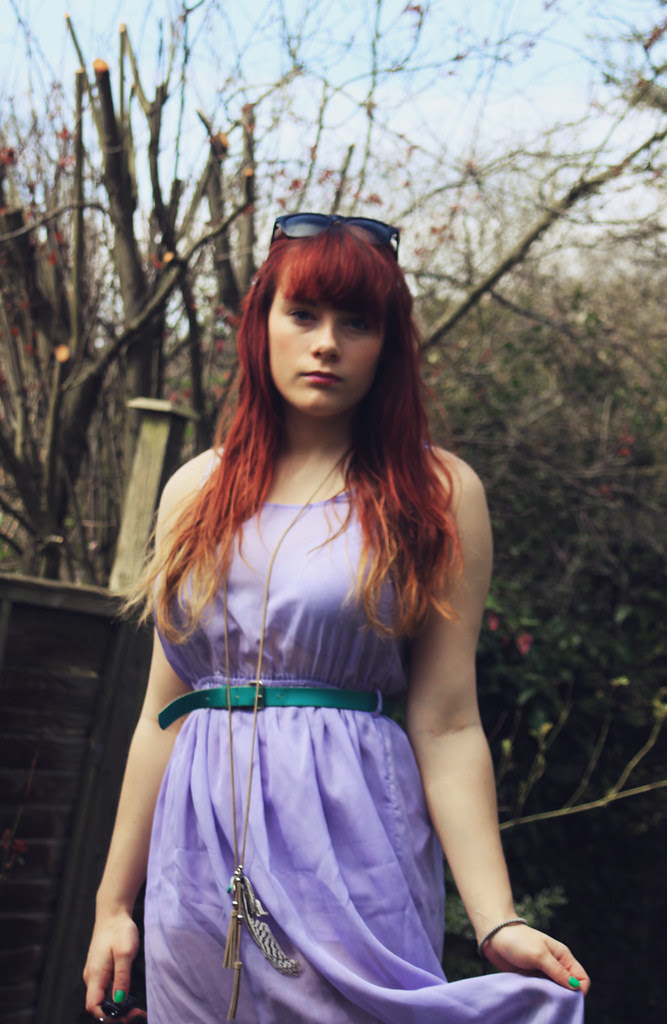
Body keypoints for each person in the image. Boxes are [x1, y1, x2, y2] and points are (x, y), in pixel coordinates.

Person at [83, 213, 589, 1024]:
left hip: (350, 846)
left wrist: (495, 918)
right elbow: (160, 715)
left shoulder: (437, 492)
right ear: (262, 324)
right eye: (303, 314)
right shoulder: (193, 492)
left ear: (388, 344)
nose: (326, 343)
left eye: (356, 322)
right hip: (199, 858)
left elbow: (447, 722)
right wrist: (113, 906)